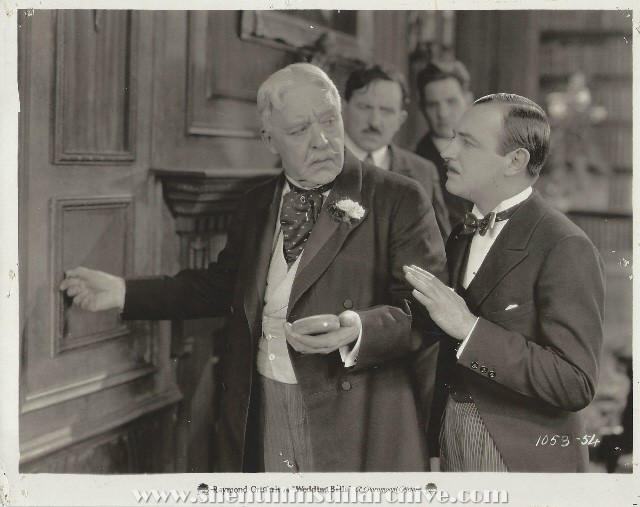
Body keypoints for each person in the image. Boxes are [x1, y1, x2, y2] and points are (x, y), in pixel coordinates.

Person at [60, 63, 447, 473]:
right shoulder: (255, 203)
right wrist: (122, 292)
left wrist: (359, 328)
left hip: (353, 416)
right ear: (270, 140)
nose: (321, 141)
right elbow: (221, 286)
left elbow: (424, 312)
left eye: (329, 121)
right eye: (299, 131)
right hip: (263, 401)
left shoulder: (398, 197)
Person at [404, 93, 605, 472]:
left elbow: (575, 383)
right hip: (452, 445)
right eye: (453, 137)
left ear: (515, 160)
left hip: (523, 460)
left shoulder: (565, 245)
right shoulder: (462, 233)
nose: (447, 151)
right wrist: (434, 445)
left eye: (467, 142)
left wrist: (470, 329)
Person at [343, 64, 450, 239]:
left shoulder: (423, 172)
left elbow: (439, 250)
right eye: (365, 107)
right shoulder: (318, 161)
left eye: (386, 111)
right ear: (344, 108)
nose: (375, 122)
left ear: (401, 120)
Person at [415, 60, 473, 227]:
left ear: (468, 102)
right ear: (423, 109)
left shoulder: (491, 152)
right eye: (433, 105)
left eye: (451, 102)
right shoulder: (415, 164)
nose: (443, 113)